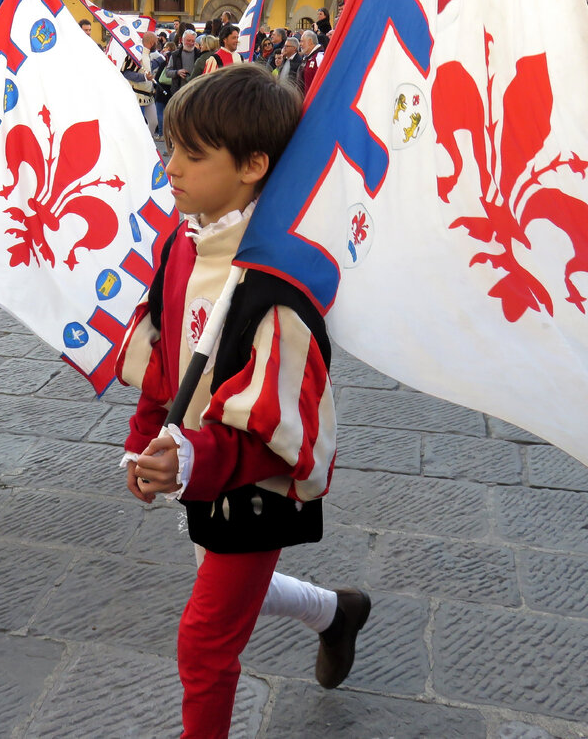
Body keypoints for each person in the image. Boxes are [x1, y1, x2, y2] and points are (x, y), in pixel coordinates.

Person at [118, 65, 370, 739]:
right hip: (195, 461)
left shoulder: (279, 284)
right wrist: (145, 441)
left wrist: (192, 458)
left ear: (254, 164)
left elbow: (274, 430)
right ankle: (335, 612)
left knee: (204, 640)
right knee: (221, 583)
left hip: (250, 482)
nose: (169, 167)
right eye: (169, 146)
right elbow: (166, 355)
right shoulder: (182, 240)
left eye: (191, 155)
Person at [298, 29, 325, 95]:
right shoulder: (307, 58)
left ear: (310, 41)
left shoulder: (319, 58)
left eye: (302, 41)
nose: (300, 44)